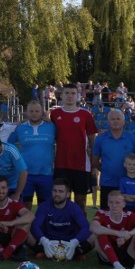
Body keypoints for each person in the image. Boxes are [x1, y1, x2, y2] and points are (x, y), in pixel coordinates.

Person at [50, 83, 98, 211]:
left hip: (81, 164)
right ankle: (64, 228)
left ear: (78, 96)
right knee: (62, 200)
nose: (70, 96)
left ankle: (81, 228)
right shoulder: (54, 114)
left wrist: (94, 163)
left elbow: (93, 140)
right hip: (61, 164)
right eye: (67, 93)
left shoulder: (85, 114)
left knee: (80, 201)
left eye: (73, 93)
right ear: (61, 95)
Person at [7, 100, 56, 208]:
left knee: (45, 207)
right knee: (25, 206)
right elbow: (7, 144)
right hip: (25, 174)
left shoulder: (52, 127)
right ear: (27, 113)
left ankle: (42, 225)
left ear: (42, 112)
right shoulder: (19, 128)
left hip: (46, 174)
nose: (34, 113)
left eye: (37, 111)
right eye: (31, 111)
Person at [89, 190, 135, 269]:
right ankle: (117, 267)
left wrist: (128, 235)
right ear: (108, 203)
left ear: (124, 204)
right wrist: (118, 233)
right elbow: (93, 227)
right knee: (99, 232)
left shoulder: (129, 215)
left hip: (127, 254)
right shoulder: (102, 213)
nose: (114, 206)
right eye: (111, 202)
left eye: (117, 202)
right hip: (108, 256)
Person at [30, 178, 93, 261]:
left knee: (95, 235)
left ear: (67, 194)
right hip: (49, 243)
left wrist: (74, 242)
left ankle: (76, 253)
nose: (57, 194)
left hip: (69, 244)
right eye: (54, 191)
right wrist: (44, 241)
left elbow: (86, 227)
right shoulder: (44, 206)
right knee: (26, 231)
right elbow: (35, 226)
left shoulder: (74, 208)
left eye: (60, 191)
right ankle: (44, 251)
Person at [92, 108, 135, 209]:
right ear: (108, 121)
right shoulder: (100, 139)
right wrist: (107, 170)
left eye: (118, 119)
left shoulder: (132, 138)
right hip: (107, 183)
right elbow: (95, 161)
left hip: (128, 183)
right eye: (113, 119)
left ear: (123, 121)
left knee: (128, 216)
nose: (115, 121)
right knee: (107, 215)